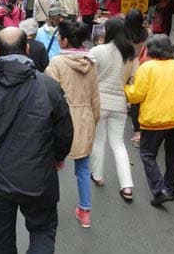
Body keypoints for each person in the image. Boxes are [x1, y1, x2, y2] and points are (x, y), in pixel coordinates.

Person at [0, 27, 74, 253]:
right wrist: (58, 157)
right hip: (39, 177)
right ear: (27, 49)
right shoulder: (48, 86)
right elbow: (65, 132)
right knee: (42, 231)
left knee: (2, 236)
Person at [124, 34, 174, 206]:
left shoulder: (147, 68)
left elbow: (136, 96)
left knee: (147, 154)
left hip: (154, 121)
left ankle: (158, 190)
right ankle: (170, 189)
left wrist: (126, 87)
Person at [45, 20, 100, 228]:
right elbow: (95, 96)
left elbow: (50, 98)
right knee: (83, 169)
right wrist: (94, 120)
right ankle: (85, 211)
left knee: (51, 167)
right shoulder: (91, 63)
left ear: (65, 41)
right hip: (85, 117)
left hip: (61, 121)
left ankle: (48, 208)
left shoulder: (57, 64)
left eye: (60, 36)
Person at [90, 18, 136, 201]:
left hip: (100, 101)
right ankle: (127, 186)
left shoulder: (97, 50)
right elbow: (132, 78)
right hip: (119, 103)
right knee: (118, 144)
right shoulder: (130, 53)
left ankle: (98, 175)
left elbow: (89, 75)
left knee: (99, 140)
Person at [124, 9, 149, 148]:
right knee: (138, 100)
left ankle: (137, 131)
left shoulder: (124, 33)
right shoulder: (146, 33)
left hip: (127, 64)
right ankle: (139, 130)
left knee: (130, 96)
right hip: (142, 66)